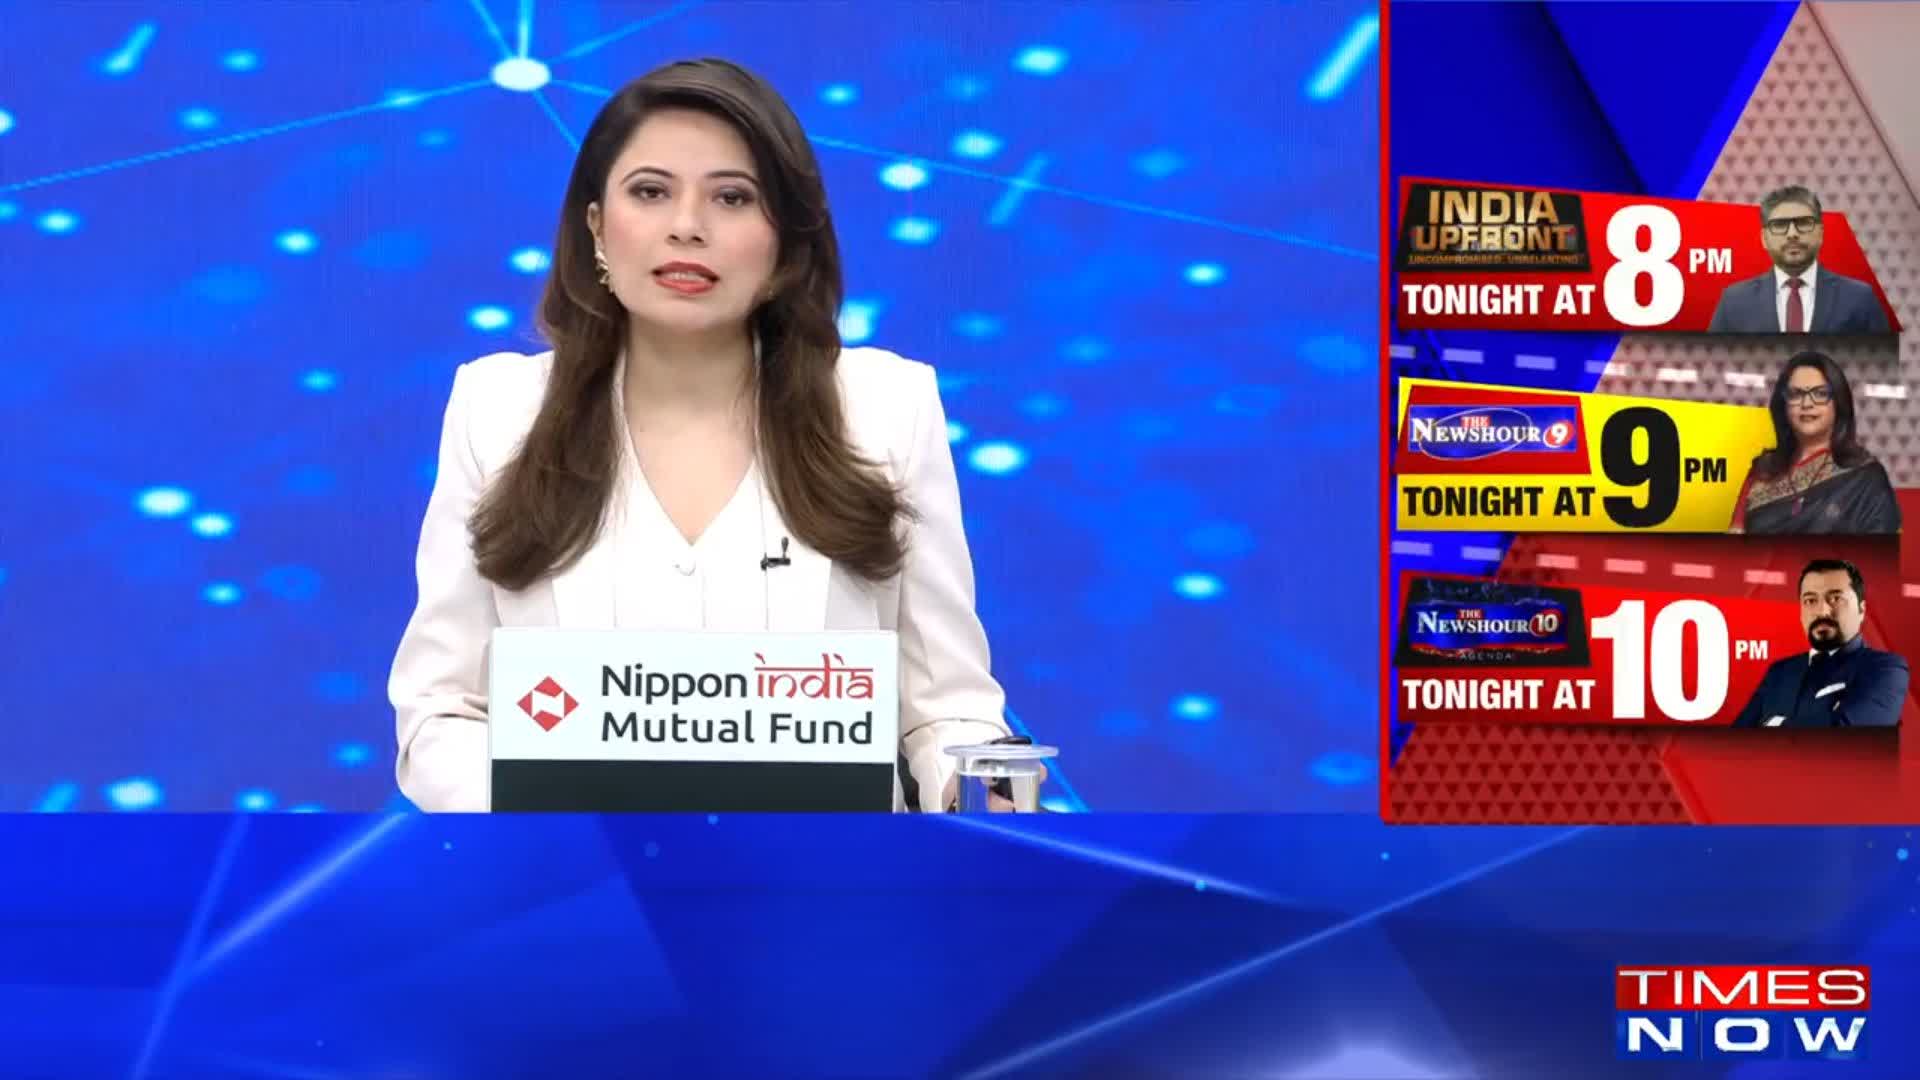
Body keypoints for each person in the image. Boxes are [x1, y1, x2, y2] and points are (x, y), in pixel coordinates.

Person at [389, 58, 1021, 812]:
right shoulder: (498, 410)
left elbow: (947, 706)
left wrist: (986, 786)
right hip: (581, 873)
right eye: (650, 192)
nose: (687, 226)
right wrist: (552, 831)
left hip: (833, 872)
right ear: (596, 227)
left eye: (731, 197)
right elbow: (442, 711)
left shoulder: (886, 406)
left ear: (785, 241)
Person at [1728, 350, 1901, 535]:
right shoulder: (1763, 472)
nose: (1807, 404)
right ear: (1783, 404)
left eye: (1820, 393)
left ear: (1838, 402)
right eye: (1796, 394)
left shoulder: (1866, 478)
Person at [1732, 559, 1908, 728]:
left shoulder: (1886, 669)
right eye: (1810, 600)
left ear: (1862, 609)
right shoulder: (1779, 672)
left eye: (1836, 598)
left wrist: (1773, 725)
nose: (1822, 611)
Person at [1707, 185, 1891, 334]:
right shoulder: (1734, 301)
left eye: (1803, 223)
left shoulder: (1860, 297)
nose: (1792, 234)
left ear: (1821, 233)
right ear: (1764, 238)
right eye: (1780, 225)